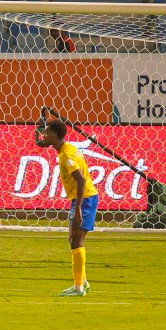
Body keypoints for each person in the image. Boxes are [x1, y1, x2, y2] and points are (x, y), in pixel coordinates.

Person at [39, 119, 99, 297]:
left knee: (76, 241)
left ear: (56, 135)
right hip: (83, 198)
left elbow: (81, 180)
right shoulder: (67, 147)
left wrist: (78, 209)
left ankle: (79, 288)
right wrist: (42, 136)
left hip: (85, 199)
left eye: (47, 132)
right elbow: (44, 142)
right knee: (73, 239)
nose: (45, 135)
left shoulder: (67, 156)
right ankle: (83, 282)